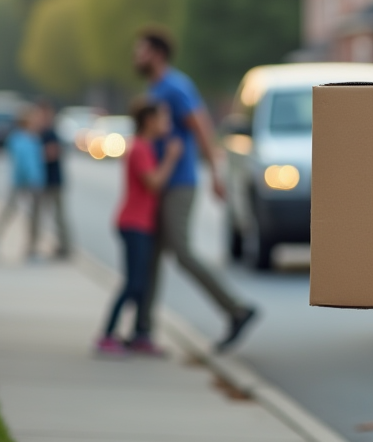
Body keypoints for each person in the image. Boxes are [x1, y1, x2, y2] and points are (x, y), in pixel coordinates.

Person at [131, 26, 257, 353]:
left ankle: (236, 309)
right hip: (160, 184)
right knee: (151, 257)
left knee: (181, 252)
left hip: (179, 183)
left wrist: (214, 173)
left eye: (141, 50)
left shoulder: (175, 86)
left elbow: (200, 125)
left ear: (157, 54)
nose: (136, 56)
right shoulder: (154, 87)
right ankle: (142, 329)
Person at [96, 99, 183, 355]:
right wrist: (171, 158)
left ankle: (139, 337)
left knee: (141, 283)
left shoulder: (142, 147)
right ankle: (106, 335)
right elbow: (153, 183)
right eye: (163, 118)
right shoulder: (140, 148)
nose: (166, 124)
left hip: (141, 224)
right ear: (149, 121)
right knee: (132, 283)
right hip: (134, 224)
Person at [0, 105, 45, 259]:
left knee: (34, 216)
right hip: (24, 181)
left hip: (35, 181)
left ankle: (32, 247)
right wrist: (32, 179)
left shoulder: (32, 138)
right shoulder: (20, 139)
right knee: (11, 210)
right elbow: (24, 163)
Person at [36, 99, 72, 259]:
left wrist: (35, 154)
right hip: (43, 179)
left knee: (58, 215)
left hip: (53, 179)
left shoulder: (50, 133)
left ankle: (65, 246)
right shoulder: (41, 132)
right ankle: (58, 245)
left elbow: (53, 153)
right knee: (43, 214)